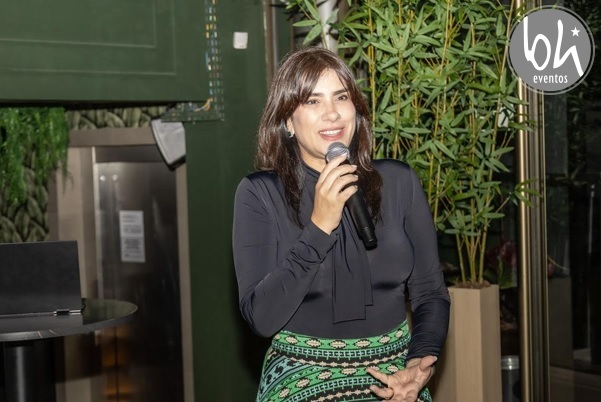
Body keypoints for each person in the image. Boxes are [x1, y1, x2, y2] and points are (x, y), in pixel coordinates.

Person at [232, 47, 450, 402]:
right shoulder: (260, 194)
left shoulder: (399, 182)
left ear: (356, 110)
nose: (332, 112)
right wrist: (319, 227)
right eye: (312, 101)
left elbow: (430, 292)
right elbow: (260, 317)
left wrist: (419, 363)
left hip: (395, 375)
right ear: (287, 122)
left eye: (341, 97)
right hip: (301, 375)